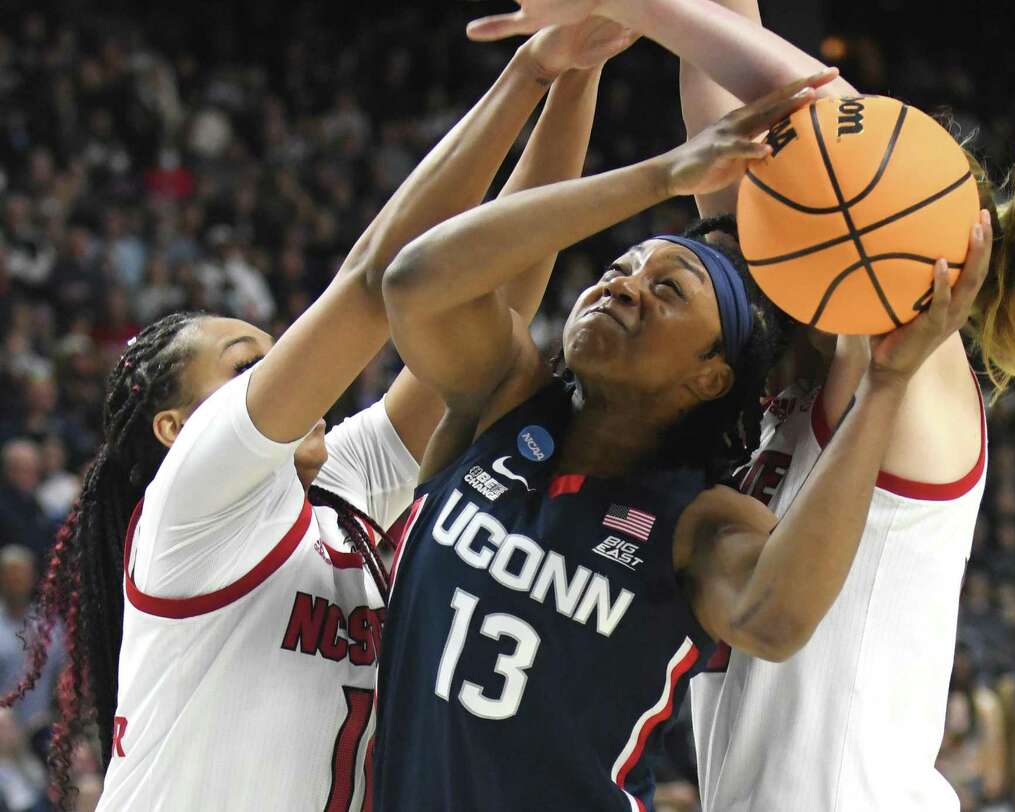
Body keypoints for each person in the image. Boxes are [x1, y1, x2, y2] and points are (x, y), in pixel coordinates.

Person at [465, 0, 1015, 808]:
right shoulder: (795, 384)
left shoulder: (909, 364)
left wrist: (633, 5)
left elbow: (807, 104)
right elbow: (729, 104)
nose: (745, 236)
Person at [1, 21, 627, 808]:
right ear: (178, 427)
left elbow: (492, 305)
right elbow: (374, 280)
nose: (292, 373)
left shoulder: (341, 487)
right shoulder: (193, 500)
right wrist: (529, 71)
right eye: (246, 367)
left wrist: (581, 67)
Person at [370, 58, 990, 805]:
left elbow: (776, 618)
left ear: (710, 377)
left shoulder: (695, 521)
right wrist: (658, 177)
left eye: (668, 290)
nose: (622, 286)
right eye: (621, 267)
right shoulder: (504, 403)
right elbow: (413, 283)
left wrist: (885, 387)